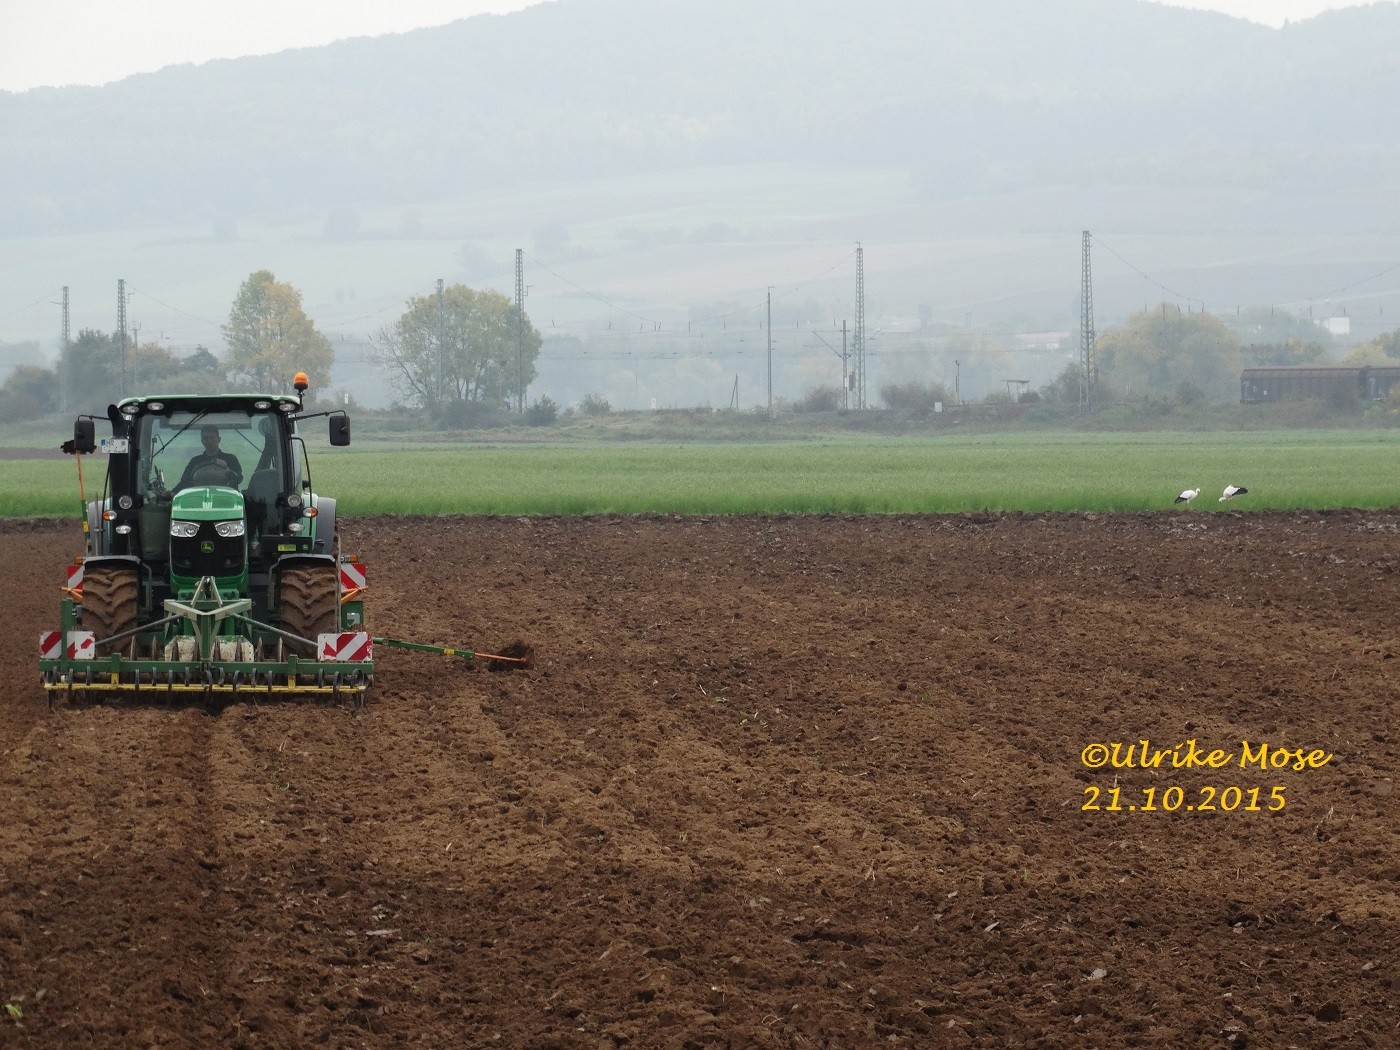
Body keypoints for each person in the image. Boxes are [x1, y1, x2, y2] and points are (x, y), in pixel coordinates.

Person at [176, 425, 244, 489]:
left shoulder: (230, 459)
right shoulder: (195, 461)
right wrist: (171, 494)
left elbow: (239, 479)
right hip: (200, 497)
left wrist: (227, 469)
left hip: (226, 498)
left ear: (219, 439)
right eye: (205, 438)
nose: (209, 441)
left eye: (212, 438)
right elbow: (184, 482)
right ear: (202, 441)